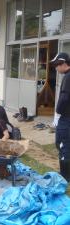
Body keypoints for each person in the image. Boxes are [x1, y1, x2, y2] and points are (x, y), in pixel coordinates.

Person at [51, 52, 70, 182]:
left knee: (63, 145)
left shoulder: (68, 78)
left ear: (63, 63)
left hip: (66, 118)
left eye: (57, 65)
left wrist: (57, 114)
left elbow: (64, 99)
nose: (56, 68)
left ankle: (65, 176)